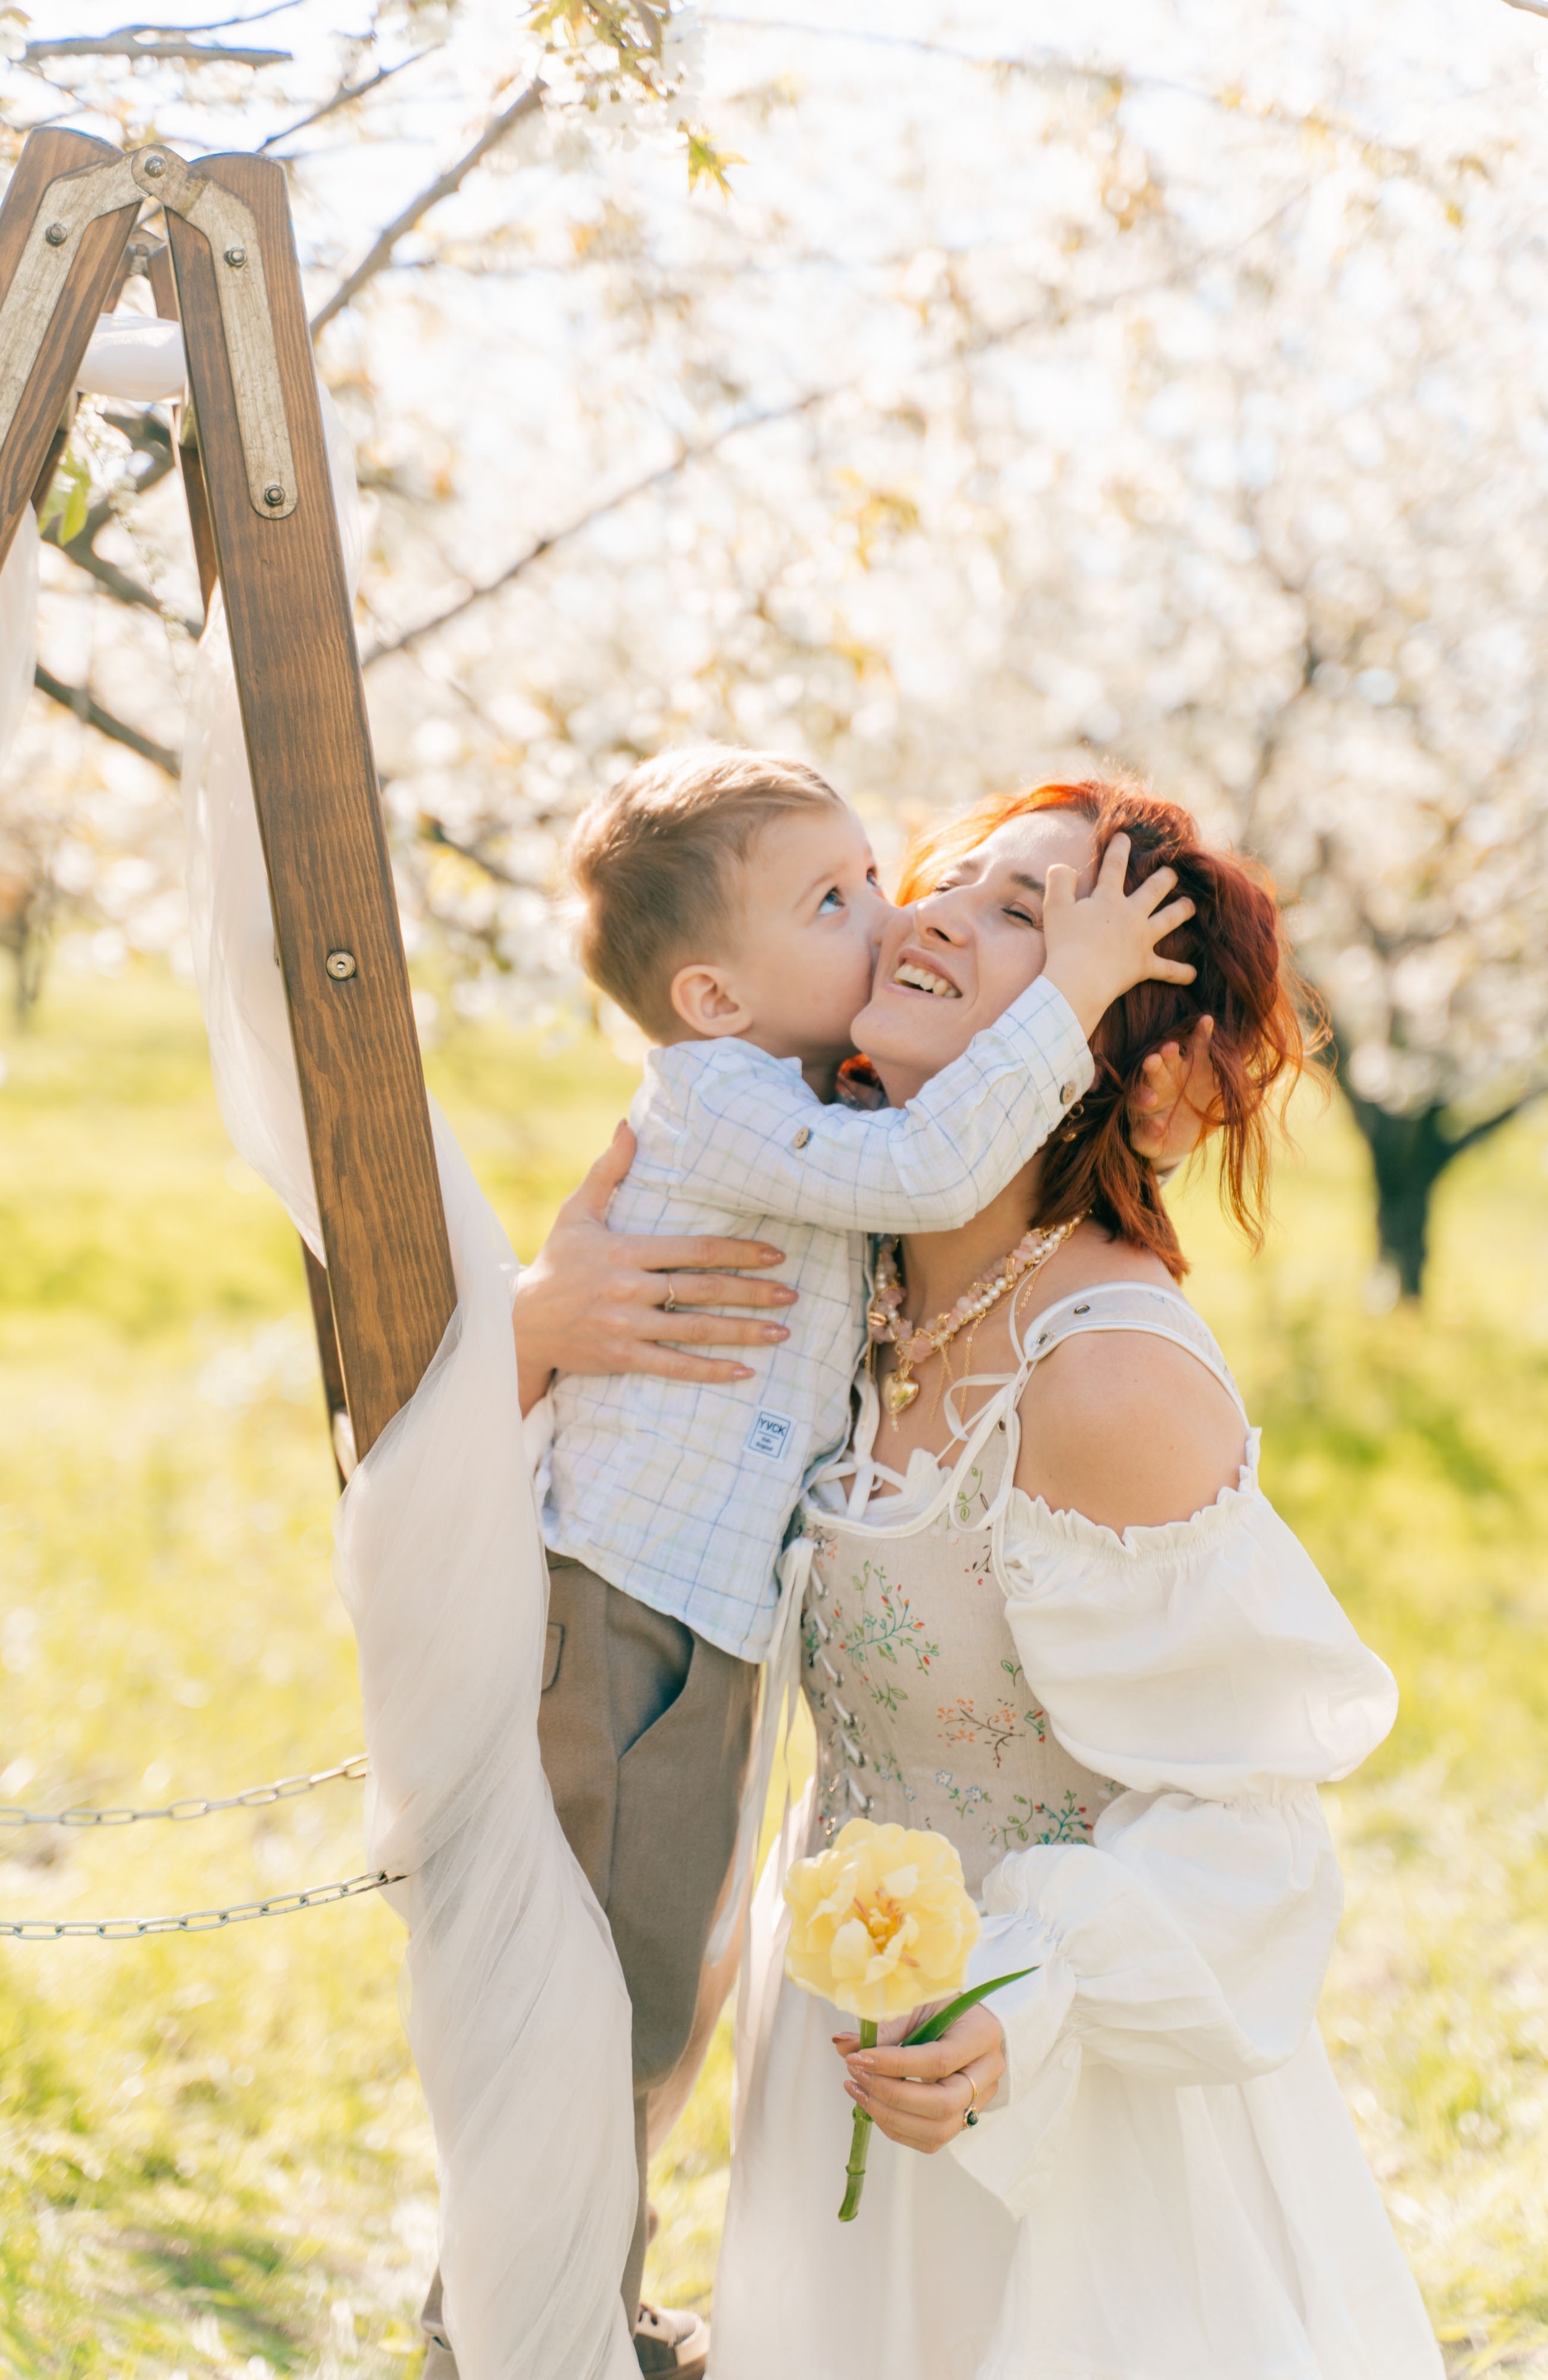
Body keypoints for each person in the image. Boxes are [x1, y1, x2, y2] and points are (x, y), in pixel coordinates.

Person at [422, 746, 1198, 2380]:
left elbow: (940, 1193)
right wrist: (1064, 992)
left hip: (695, 1637)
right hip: (625, 1614)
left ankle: (574, 2307)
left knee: (653, 1989)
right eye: (841, 898)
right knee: (599, 2005)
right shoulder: (723, 1102)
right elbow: (922, 1172)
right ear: (711, 992)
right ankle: (516, 2326)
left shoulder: (795, 1104)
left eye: (882, 876)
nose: (893, 915)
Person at [703, 776, 1444, 2380]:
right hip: (834, 2020)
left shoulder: (1103, 1384)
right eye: (955, 879)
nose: (949, 913)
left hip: (1052, 2094)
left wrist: (1021, 2002)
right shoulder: (848, 1283)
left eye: (1031, 913)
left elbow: (1249, 1825)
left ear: (1145, 1074)